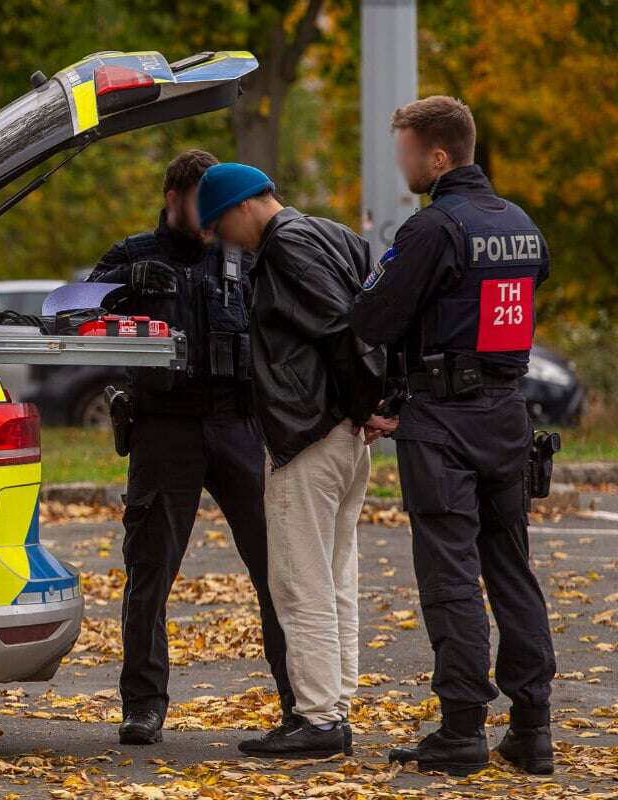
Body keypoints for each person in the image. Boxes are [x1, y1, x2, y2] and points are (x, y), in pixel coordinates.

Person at [348, 96, 556, 777]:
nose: (401, 164)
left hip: (444, 421)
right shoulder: (520, 224)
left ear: (438, 156)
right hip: (508, 413)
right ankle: (532, 728)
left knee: (450, 577)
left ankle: (461, 728)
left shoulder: (434, 229)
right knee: (511, 569)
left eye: (406, 151)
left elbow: (373, 317)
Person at [86, 150, 294, 745]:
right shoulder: (134, 254)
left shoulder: (241, 250)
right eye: (201, 202)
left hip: (237, 424)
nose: (212, 215)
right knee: (149, 572)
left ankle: (298, 702)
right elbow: (64, 308)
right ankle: (144, 705)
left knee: (276, 569)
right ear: (172, 197)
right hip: (163, 427)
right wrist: (122, 289)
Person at [196, 163, 388, 759]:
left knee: (299, 580)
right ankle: (336, 703)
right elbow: (376, 316)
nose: (223, 240)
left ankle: (319, 718)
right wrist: (372, 405)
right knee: (335, 575)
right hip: (344, 437)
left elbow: (339, 329)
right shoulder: (335, 234)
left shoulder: (287, 248)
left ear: (242, 206)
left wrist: (367, 401)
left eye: (219, 224)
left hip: (308, 432)